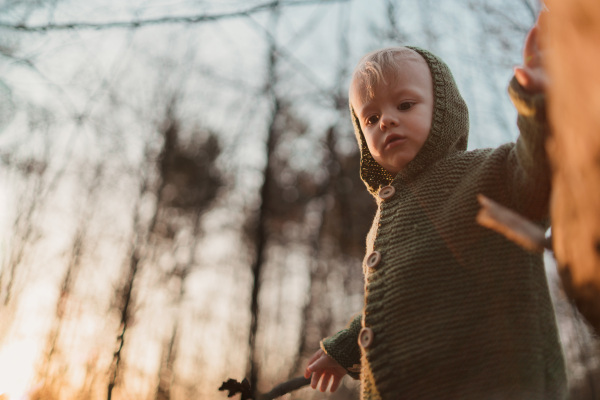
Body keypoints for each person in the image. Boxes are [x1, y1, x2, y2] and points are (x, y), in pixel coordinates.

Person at [303, 15, 567, 400]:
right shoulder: (383, 222)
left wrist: (538, 101)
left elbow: (540, 169)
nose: (387, 120)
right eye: (371, 118)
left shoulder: (487, 172)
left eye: (405, 104)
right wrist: (346, 348)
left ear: (443, 109)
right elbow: (402, 304)